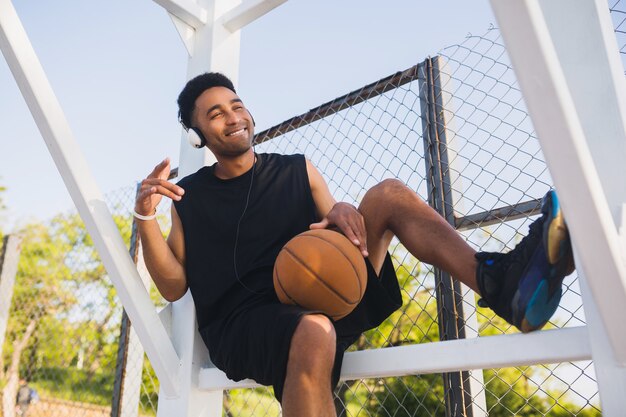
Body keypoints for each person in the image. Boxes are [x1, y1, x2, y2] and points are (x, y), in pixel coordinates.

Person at [134, 72, 575, 417]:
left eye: (236, 105)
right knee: (313, 332)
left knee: (388, 195)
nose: (232, 117)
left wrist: (344, 207)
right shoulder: (190, 197)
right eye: (215, 114)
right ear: (197, 135)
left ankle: (504, 286)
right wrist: (145, 216)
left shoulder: (298, 169)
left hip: (327, 293)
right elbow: (174, 286)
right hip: (245, 325)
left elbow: (339, 230)